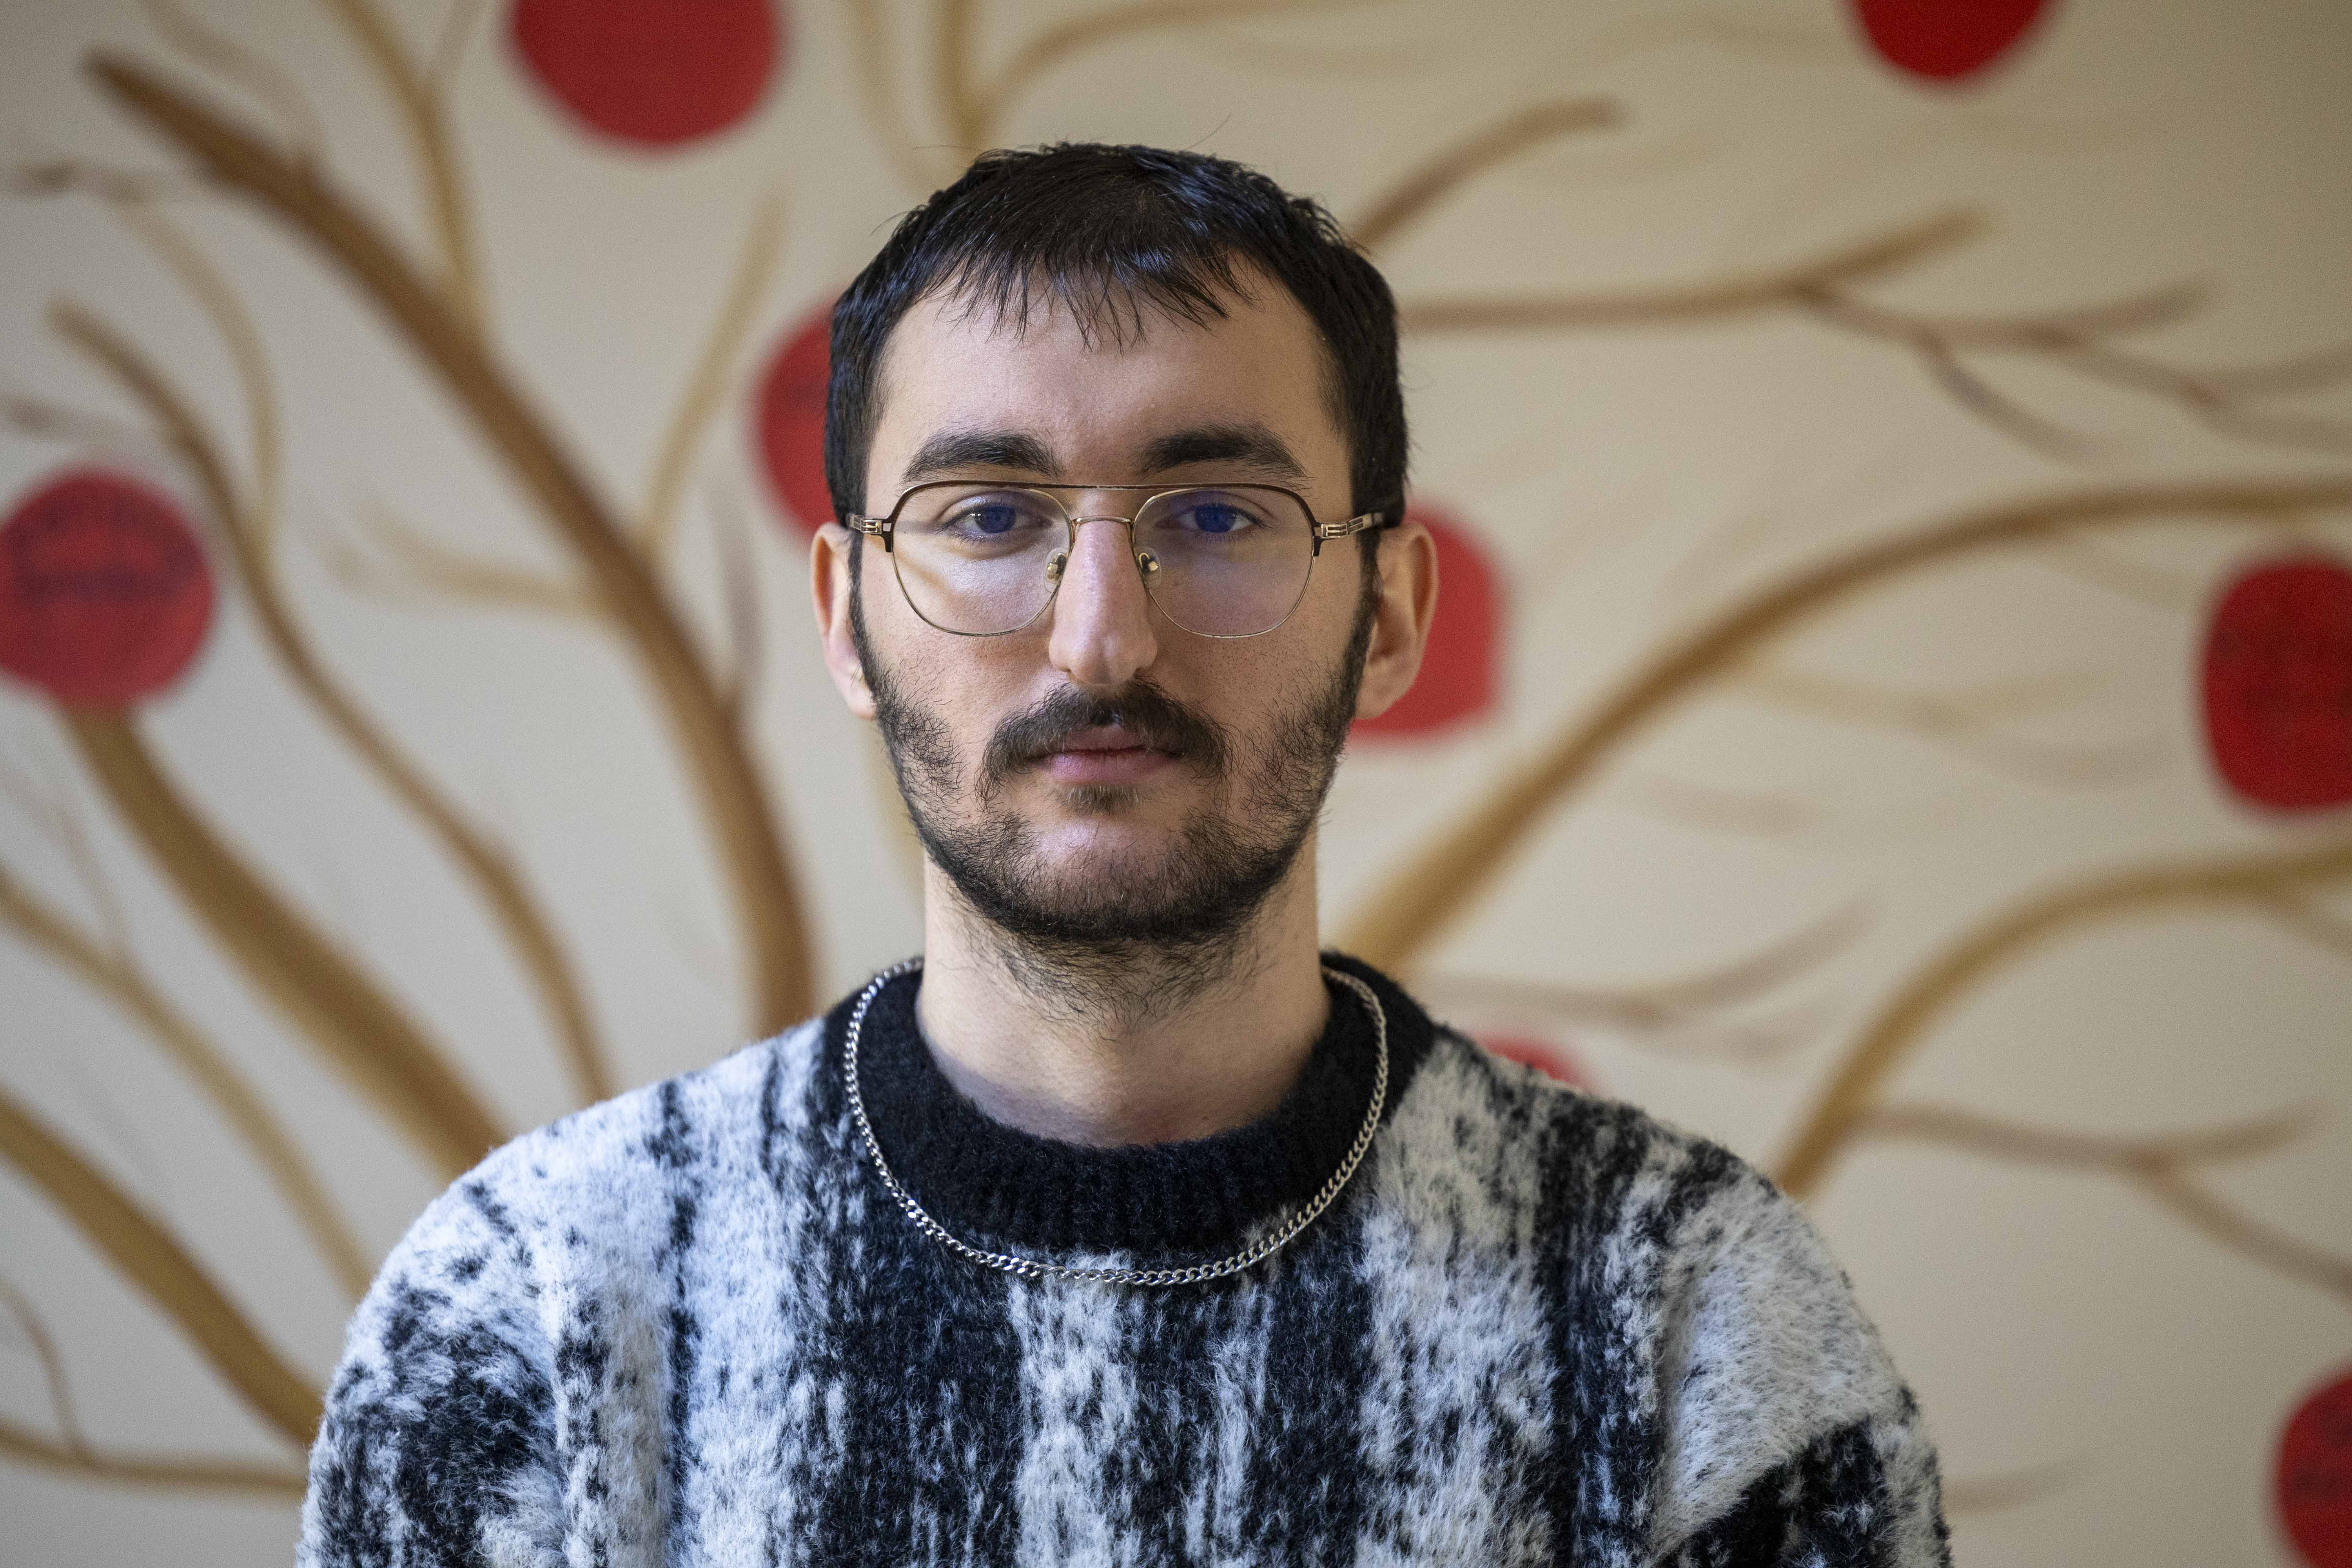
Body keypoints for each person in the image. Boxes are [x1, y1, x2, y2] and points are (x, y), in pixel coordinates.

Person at [298, 144, 1949, 1567]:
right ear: (848, 618)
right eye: (990, 517)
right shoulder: (531, 1313)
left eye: (1218, 514)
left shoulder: (1694, 1322)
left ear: (1388, 618)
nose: (1100, 640)